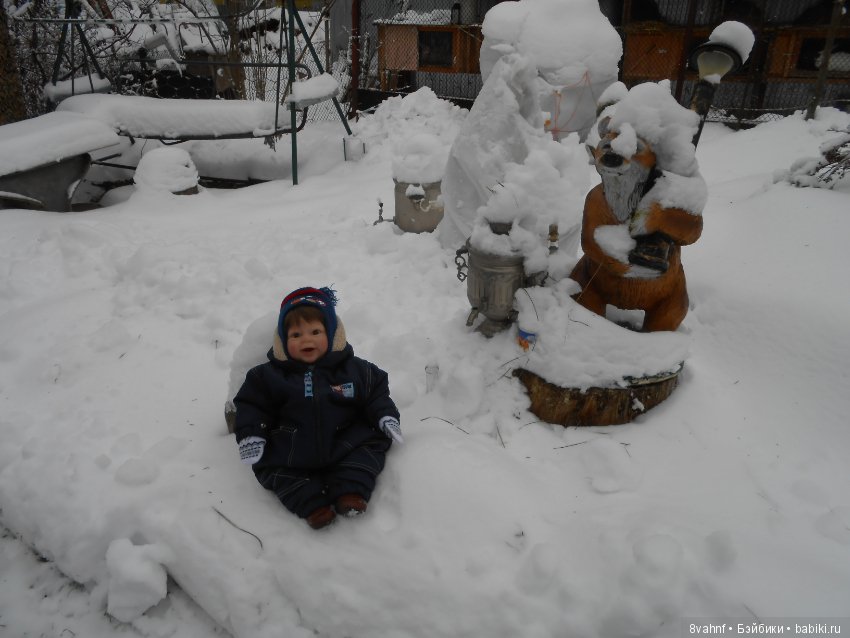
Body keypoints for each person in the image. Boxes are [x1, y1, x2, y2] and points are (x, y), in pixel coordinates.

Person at [234, 286, 403, 529]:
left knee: (366, 452)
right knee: (275, 470)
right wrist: (252, 433)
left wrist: (385, 416)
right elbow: (252, 405)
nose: (307, 339)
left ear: (332, 333)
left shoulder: (354, 370)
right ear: (283, 339)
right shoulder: (267, 377)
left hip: (344, 441)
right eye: (296, 335)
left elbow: (376, 391)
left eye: (315, 331)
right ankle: (312, 505)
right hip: (292, 449)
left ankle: (351, 493)